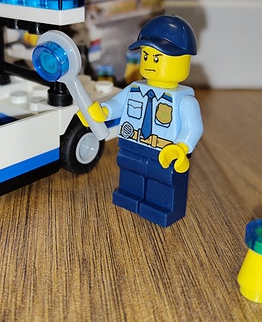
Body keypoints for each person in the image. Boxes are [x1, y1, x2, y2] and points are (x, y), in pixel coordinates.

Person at [84, 15, 203, 226]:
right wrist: (104, 111)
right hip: (132, 143)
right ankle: (130, 196)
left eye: (157, 58)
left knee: (163, 179)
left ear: (183, 60)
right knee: (130, 170)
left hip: (164, 151)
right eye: (146, 56)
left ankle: (161, 206)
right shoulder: (135, 89)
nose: (149, 63)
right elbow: (118, 104)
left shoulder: (184, 101)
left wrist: (181, 147)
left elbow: (193, 128)